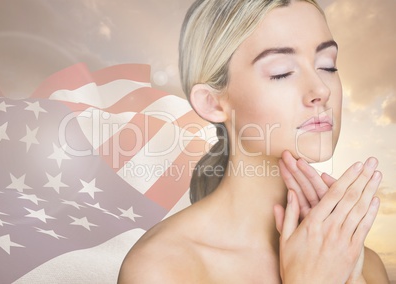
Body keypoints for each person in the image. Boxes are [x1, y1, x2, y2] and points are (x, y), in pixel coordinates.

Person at [118, 0, 390, 283]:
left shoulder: (359, 262)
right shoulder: (163, 266)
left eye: (327, 66)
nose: (321, 89)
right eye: (282, 72)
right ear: (211, 102)